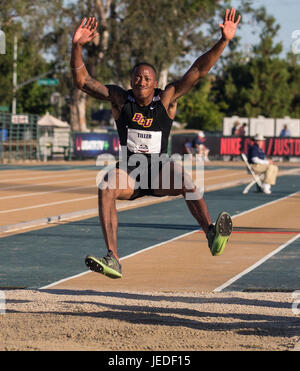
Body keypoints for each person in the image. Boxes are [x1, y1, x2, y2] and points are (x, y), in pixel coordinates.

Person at [70, 9, 240, 279]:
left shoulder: (168, 98)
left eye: (147, 78)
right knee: (105, 186)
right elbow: (82, 81)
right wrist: (77, 46)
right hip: (129, 172)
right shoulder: (119, 99)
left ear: (155, 83)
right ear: (131, 81)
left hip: (159, 171)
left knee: (186, 181)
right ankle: (113, 258)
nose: (141, 81)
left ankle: (210, 232)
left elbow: (198, 70)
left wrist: (223, 41)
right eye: (137, 77)